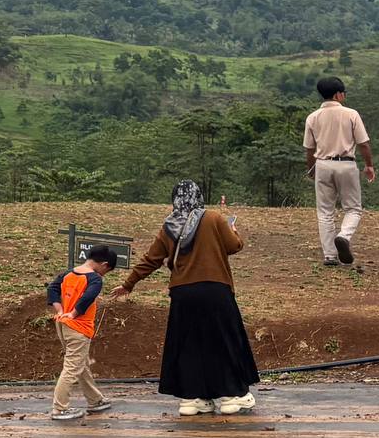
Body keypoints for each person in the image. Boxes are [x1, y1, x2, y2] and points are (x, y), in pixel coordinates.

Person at [113, 179, 259, 416]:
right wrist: (233, 231)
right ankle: (231, 396)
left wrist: (128, 284)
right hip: (214, 289)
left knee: (189, 344)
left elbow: (151, 259)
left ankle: (192, 399)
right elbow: (233, 246)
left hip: (182, 293)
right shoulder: (213, 218)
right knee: (224, 340)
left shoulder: (169, 225)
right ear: (198, 196)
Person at [302, 76, 374, 266]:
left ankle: (330, 255)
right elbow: (363, 143)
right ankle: (344, 235)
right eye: (343, 92)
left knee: (325, 211)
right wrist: (369, 165)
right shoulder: (351, 114)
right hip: (346, 163)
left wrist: (311, 169)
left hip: (323, 164)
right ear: (338, 94)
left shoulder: (313, 117)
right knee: (353, 208)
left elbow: (309, 149)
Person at [45, 243, 119, 422]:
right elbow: (88, 297)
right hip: (79, 327)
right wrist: (75, 313)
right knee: (72, 367)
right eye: (107, 270)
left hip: (63, 325)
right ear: (104, 264)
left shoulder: (69, 274)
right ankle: (59, 408)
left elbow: (52, 289)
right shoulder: (94, 279)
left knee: (81, 363)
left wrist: (60, 310)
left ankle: (95, 400)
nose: (104, 274)